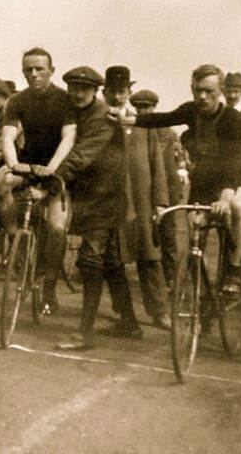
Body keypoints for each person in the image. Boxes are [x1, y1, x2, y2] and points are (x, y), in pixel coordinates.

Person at [118, 64, 241, 292]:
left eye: (209, 91)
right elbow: (164, 119)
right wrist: (131, 121)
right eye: (198, 90)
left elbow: (234, 163)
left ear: (220, 91)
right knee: (194, 233)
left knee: (237, 209)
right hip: (204, 181)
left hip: (235, 178)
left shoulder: (232, 119)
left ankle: (235, 269)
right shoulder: (192, 110)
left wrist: (225, 197)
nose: (202, 97)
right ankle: (203, 286)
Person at [54, 67, 142, 350]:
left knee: (91, 261)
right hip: (89, 195)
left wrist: (52, 181)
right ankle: (129, 323)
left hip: (106, 198)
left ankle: (84, 333)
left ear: (95, 91)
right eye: (74, 88)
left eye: (85, 89)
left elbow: (81, 157)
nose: (78, 94)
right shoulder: (71, 111)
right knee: (112, 263)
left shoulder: (103, 116)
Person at [0, 47, 76, 315]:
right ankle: (16, 239)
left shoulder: (65, 100)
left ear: (51, 71)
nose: (34, 74)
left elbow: (69, 137)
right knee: (1, 182)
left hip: (57, 168)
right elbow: (7, 136)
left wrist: (52, 169)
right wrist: (12, 163)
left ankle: (49, 283)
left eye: (39, 68)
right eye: (28, 69)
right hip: (28, 163)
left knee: (55, 227)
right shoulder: (17, 100)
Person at [103, 66, 171, 330]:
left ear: (129, 92)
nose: (118, 97)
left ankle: (159, 311)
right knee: (114, 257)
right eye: (113, 92)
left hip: (142, 199)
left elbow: (157, 165)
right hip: (113, 200)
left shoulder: (144, 124)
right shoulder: (101, 121)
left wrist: (161, 202)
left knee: (150, 255)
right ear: (105, 92)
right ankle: (124, 312)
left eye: (122, 92)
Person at [130, 89, 186, 288]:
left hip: (167, 188)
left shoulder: (164, 130)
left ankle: (170, 277)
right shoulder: (138, 128)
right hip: (147, 189)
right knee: (148, 234)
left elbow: (153, 157)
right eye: (139, 107)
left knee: (167, 234)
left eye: (147, 107)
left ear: (154, 108)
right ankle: (158, 277)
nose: (143, 111)